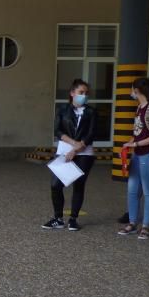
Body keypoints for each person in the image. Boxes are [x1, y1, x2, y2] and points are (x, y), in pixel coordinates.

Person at [42, 79, 96, 231]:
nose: (84, 95)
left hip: (85, 153)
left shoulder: (92, 112)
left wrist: (78, 148)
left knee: (78, 185)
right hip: (64, 152)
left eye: (86, 93)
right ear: (72, 93)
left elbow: (92, 133)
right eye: (81, 92)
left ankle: (73, 219)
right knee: (55, 185)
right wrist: (73, 144)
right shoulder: (63, 109)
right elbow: (58, 131)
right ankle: (57, 218)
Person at [118, 77, 149, 240]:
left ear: (137, 90)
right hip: (138, 155)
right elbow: (137, 132)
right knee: (132, 190)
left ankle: (146, 226)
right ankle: (132, 223)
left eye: (132, 89)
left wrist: (137, 144)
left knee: (148, 191)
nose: (131, 93)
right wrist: (128, 145)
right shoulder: (139, 108)